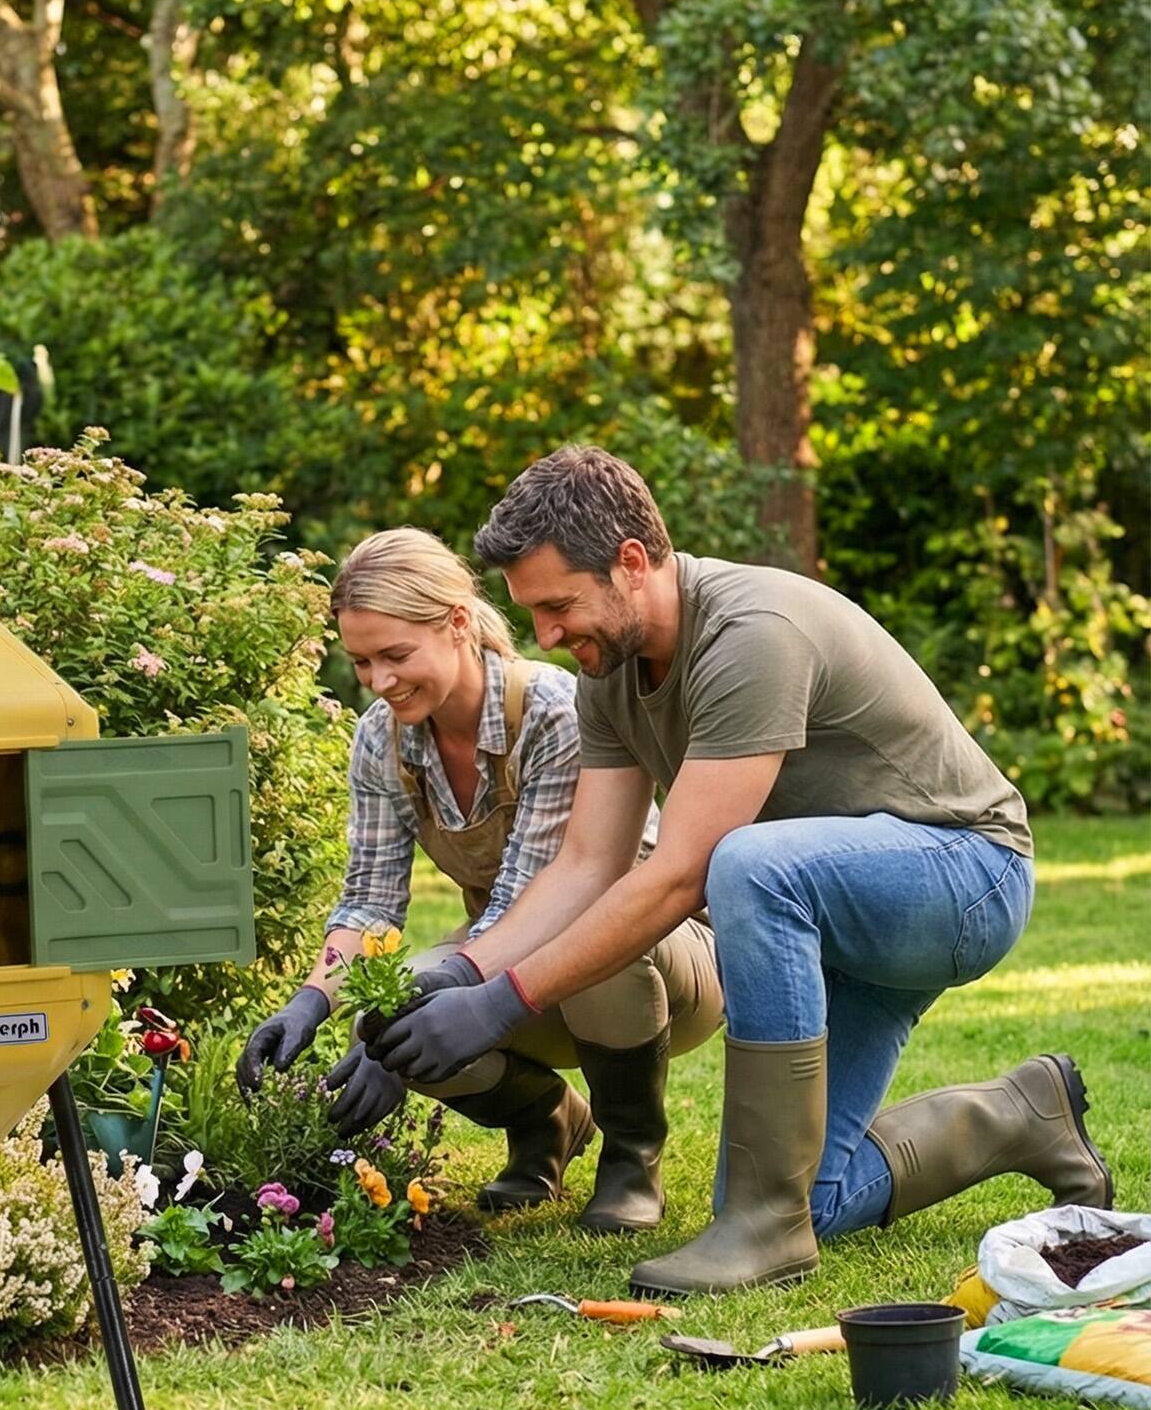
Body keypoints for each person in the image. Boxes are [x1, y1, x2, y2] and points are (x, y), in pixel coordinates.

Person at [364, 446, 1112, 1294]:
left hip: (964, 874)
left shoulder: (751, 633)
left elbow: (680, 875)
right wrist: (461, 972)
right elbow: (587, 866)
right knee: (810, 1191)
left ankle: (765, 1232)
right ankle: (1019, 1115)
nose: (544, 637)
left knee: (744, 864)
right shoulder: (608, 673)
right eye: (532, 613)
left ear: (633, 564)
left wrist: (502, 1004)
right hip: (837, 913)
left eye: (559, 606)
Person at [238, 528, 723, 1231]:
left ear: (459, 622)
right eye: (362, 662)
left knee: (592, 949)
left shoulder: (553, 712)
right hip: (511, 966)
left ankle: (630, 1159)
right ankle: (546, 1120)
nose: (379, 681)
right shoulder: (383, 739)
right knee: (392, 1017)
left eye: (396, 655)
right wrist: (315, 1001)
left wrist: (407, 1018)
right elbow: (370, 900)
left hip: (663, 966)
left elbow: (552, 898)